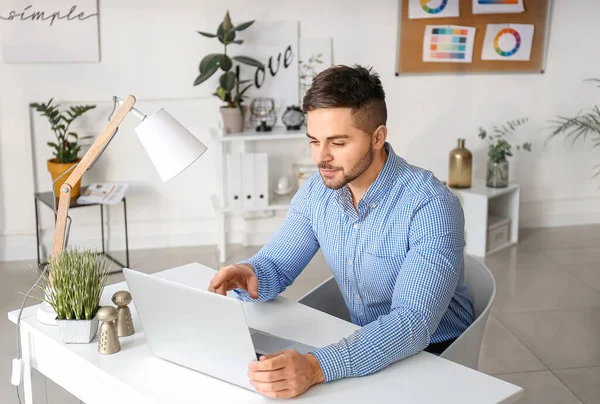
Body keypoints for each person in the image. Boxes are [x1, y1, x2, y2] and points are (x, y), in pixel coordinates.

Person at [208, 64, 474, 399]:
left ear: (378, 137)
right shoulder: (319, 190)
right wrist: (247, 273)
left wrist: (316, 367)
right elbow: (275, 265)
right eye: (314, 141)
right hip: (364, 338)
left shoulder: (431, 206)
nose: (321, 157)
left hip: (438, 354)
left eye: (338, 142)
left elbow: (412, 323)